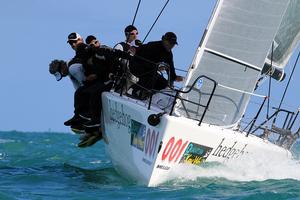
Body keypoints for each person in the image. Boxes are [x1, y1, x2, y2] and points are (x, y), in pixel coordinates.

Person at [129, 32, 183, 98]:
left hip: (150, 69)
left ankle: (150, 96)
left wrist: (174, 77)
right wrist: (157, 68)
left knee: (163, 83)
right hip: (136, 65)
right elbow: (144, 60)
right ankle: (133, 91)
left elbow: (171, 67)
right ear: (164, 40)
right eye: (170, 43)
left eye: (173, 44)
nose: (171, 46)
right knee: (151, 77)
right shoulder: (153, 46)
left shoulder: (168, 53)